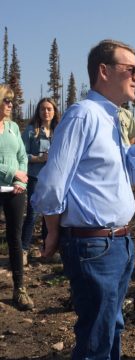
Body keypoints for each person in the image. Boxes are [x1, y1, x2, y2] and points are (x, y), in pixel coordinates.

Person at [31, 39, 135, 360]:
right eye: (130, 69)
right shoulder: (83, 114)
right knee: (95, 340)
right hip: (93, 245)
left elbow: (129, 176)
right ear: (104, 71)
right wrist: (53, 231)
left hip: (118, 244)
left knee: (110, 333)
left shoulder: (112, 117)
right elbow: (52, 184)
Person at [0, 84, 34, 310]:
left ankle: (19, 289)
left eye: (12, 101)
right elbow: (16, 166)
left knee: (15, 237)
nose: (11, 105)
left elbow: (22, 156)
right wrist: (13, 173)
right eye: (6, 100)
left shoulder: (13, 127)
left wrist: (20, 180)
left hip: (15, 191)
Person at [21, 98, 60, 264]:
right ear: (38, 111)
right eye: (43, 109)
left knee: (50, 214)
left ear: (54, 111)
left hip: (54, 179)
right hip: (36, 178)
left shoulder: (59, 131)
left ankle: (48, 249)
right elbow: (21, 155)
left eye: (49, 109)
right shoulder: (31, 131)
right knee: (32, 213)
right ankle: (23, 249)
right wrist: (38, 158)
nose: (46, 112)